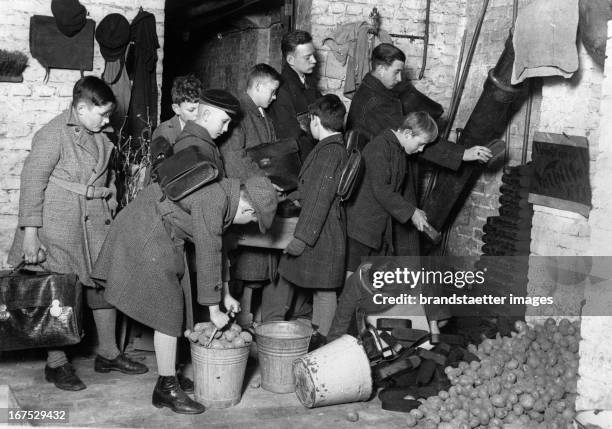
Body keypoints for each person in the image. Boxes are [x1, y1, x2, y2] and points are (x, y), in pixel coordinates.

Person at [92, 175, 278, 414]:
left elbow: (217, 245)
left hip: (162, 227)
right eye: (253, 218)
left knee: (178, 304)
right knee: (168, 310)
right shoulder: (215, 200)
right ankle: (166, 388)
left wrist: (226, 294)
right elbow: (209, 252)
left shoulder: (225, 195)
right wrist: (214, 309)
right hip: (146, 228)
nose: (248, 223)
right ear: (249, 207)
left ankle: (169, 377)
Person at [7, 76, 148, 391]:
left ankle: (109, 353)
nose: (108, 119)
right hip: (58, 224)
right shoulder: (53, 133)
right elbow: (32, 183)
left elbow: (109, 176)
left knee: (102, 284)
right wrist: (31, 234)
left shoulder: (99, 132)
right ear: (81, 108)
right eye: (102, 113)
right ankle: (56, 364)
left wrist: (111, 200)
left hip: (95, 221)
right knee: (59, 291)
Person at [346, 44, 492, 256]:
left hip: (385, 176)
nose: (399, 79)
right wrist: (462, 154)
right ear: (380, 69)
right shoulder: (374, 102)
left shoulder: (377, 91)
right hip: (376, 188)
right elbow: (416, 138)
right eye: (396, 72)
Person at [276, 94, 348, 348]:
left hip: (322, 231)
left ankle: (325, 342)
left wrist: (301, 239)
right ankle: (319, 335)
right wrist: (288, 196)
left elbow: (318, 199)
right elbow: (311, 188)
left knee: (324, 289)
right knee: (320, 286)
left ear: (316, 120)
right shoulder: (331, 148)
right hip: (324, 228)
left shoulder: (330, 153)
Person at [218, 63, 283, 325]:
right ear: (257, 86)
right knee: (245, 264)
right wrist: (265, 183)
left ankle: (248, 316)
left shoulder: (263, 114)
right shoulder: (239, 113)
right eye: (272, 91)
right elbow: (234, 159)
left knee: (258, 263)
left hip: (260, 191)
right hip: (246, 196)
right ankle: (241, 318)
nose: (275, 97)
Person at [346, 112, 444, 266]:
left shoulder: (399, 151)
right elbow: (382, 189)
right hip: (360, 230)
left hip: (378, 230)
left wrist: (413, 211)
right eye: (420, 144)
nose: (421, 150)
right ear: (407, 133)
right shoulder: (379, 147)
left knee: (370, 281)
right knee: (352, 281)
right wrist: (411, 212)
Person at [268, 30, 321, 160]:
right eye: (307, 57)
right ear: (291, 60)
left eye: (313, 55)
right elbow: (291, 138)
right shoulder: (281, 91)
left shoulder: (308, 81)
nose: (314, 61)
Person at [174, 89, 241, 176]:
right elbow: (205, 189)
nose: (226, 129)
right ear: (206, 115)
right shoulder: (192, 147)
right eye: (224, 122)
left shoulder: (201, 139)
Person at [152, 74, 203, 145]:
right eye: (191, 110)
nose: (197, 114)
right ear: (176, 109)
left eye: (200, 108)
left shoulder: (204, 129)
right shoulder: (164, 133)